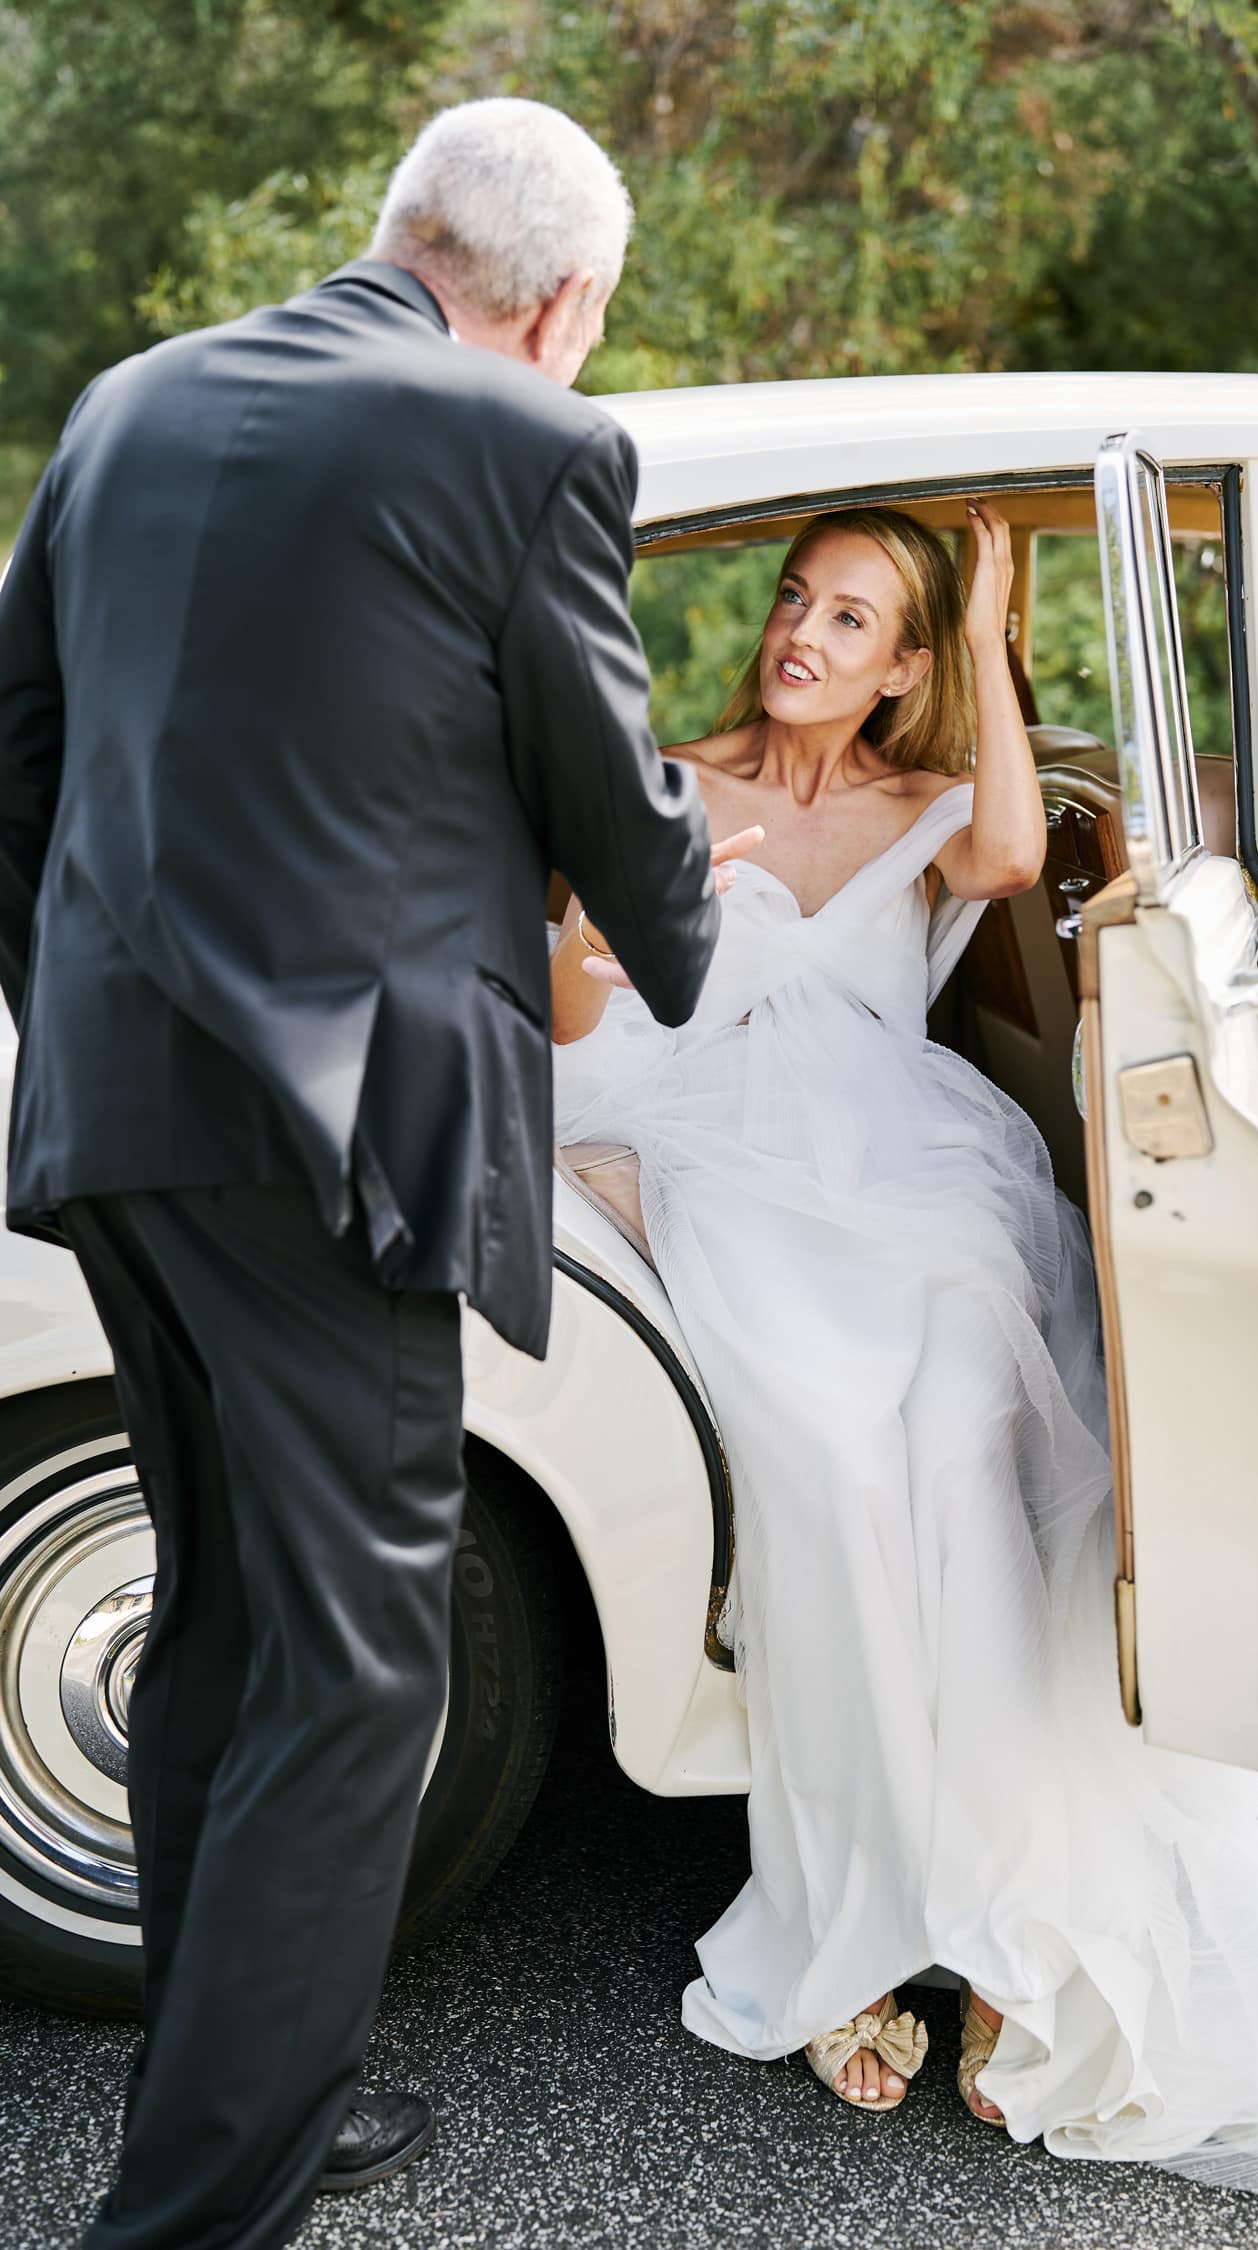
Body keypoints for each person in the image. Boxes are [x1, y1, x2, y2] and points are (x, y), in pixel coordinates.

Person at [552, 501, 1258, 2247]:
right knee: (831, 1451)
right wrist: (594, 938)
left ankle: (1001, 1920)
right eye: (794, 602)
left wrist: (989, 626)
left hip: (903, 1166)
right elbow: (563, 1011)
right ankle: (845, 1914)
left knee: (974, 1427)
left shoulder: (924, 802)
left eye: (853, 619)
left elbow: (1007, 852)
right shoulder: (670, 779)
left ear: (903, 663)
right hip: (706, 1149)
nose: (803, 637)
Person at [0, 96, 723, 2250]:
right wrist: (678, 915)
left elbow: (13, 747)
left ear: (397, 227)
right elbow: (610, 788)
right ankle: (196, 2216)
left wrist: (94, 1005)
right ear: (563, 297)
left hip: (123, 1115)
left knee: (226, 1633)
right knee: (356, 1670)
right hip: (342, 1154)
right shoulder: (525, 450)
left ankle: (247, 2108)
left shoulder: (129, 403)